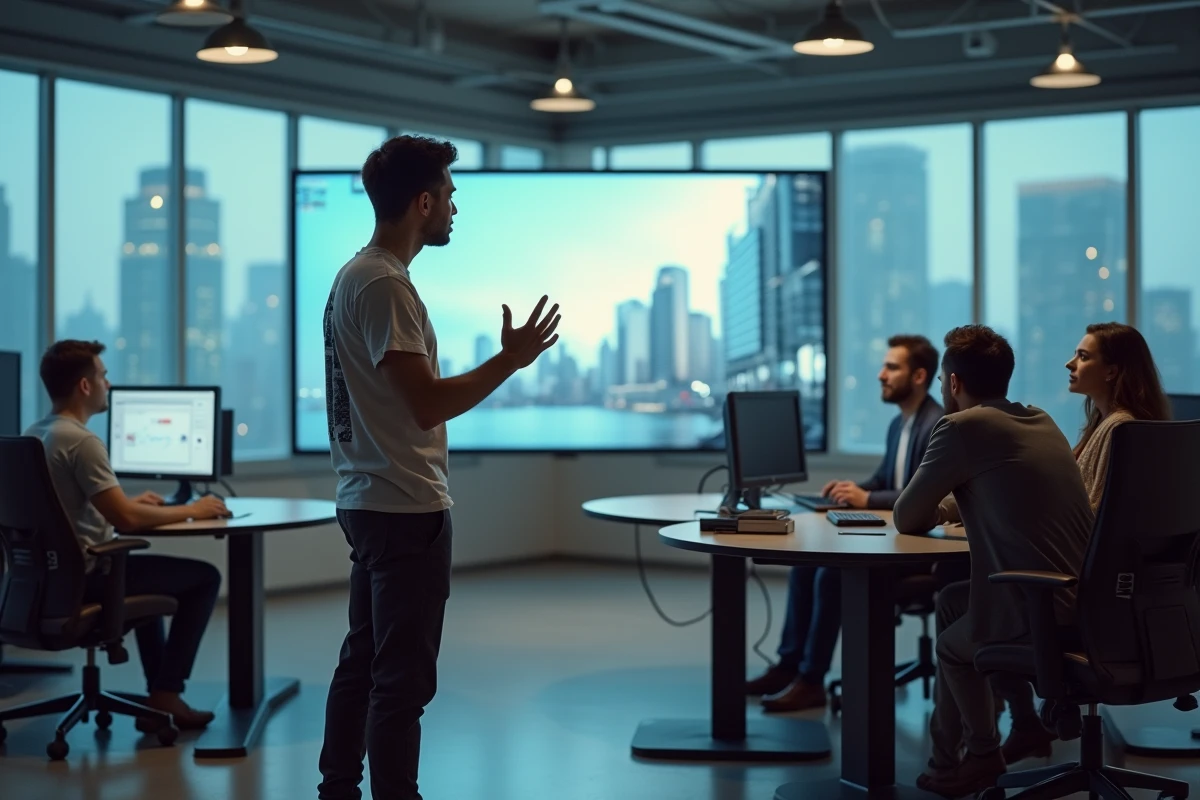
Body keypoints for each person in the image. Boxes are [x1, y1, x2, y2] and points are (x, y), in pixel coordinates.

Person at [317, 135, 562, 800]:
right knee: (401, 680)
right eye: (450, 196)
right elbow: (424, 404)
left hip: (368, 498)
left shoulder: (353, 276)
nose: (456, 208)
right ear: (423, 203)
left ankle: (337, 788)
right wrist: (509, 361)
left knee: (363, 663)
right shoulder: (385, 285)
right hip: (403, 508)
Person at [893, 325, 1093, 797]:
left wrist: (939, 501)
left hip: (1038, 604)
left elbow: (906, 516)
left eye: (944, 381)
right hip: (1086, 595)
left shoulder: (962, 427)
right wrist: (951, 501)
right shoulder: (1039, 418)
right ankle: (1016, 727)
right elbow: (995, 490)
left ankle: (981, 755)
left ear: (954, 383)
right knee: (952, 602)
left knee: (950, 647)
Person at [25, 340, 229, 730]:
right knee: (205, 578)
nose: (108, 382)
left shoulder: (38, 433)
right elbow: (127, 521)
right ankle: (167, 692)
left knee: (137, 572)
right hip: (85, 580)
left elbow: (75, 508)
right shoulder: (82, 441)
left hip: (45, 582)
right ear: (85, 386)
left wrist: (130, 502)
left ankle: (159, 696)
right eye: (102, 375)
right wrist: (193, 509)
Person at [995, 321, 1173, 764]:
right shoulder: (1111, 428)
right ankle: (1029, 721)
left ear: (1113, 372)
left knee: (970, 599)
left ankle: (989, 744)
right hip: (1121, 604)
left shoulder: (1118, 431)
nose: (1070, 363)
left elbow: (1087, 527)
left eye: (1084, 356)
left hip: (1086, 599)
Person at [746, 335, 943, 712]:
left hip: (920, 551)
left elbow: (923, 498)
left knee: (830, 574)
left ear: (919, 376)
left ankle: (811, 681)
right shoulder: (899, 424)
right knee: (808, 567)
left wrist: (867, 499)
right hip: (894, 540)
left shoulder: (936, 425)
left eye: (892, 367)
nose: (881, 374)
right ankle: (790, 667)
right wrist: (851, 490)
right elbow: (889, 481)